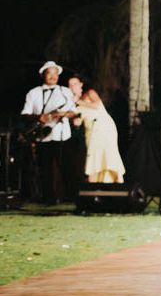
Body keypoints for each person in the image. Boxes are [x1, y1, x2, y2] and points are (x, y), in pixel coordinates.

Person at [20, 61, 77, 203]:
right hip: (42, 136)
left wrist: (62, 114)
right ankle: (48, 198)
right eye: (49, 73)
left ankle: (71, 198)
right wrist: (39, 117)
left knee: (67, 168)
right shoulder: (33, 93)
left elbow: (74, 113)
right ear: (43, 75)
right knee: (45, 169)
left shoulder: (65, 91)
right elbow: (24, 114)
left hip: (61, 135)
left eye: (55, 73)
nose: (53, 76)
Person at [68, 75, 125, 183]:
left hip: (104, 126)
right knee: (93, 157)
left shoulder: (90, 93)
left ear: (80, 85)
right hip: (90, 131)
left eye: (75, 84)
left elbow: (97, 105)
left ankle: (118, 183)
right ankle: (94, 187)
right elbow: (78, 120)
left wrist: (78, 102)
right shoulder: (73, 104)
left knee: (110, 154)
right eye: (70, 85)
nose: (72, 87)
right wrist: (75, 121)